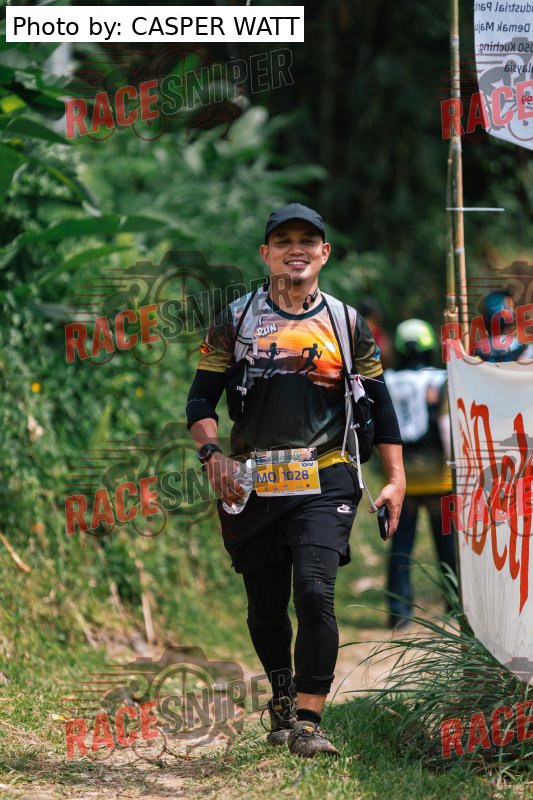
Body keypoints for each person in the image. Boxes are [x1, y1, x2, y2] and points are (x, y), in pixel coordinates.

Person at [186, 203, 405, 757]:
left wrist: (395, 479)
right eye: (283, 241)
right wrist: (212, 456)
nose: (296, 249)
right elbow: (200, 400)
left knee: (313, 592)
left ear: (324, 253)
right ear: (266, 254)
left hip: (327, 474)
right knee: (266, 607)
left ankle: (309, 722)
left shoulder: (346, 323)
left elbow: (379, 403)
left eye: (308, 240)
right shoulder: (234, 320)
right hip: (253, 480)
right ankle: (282, 696)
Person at [383, 319, 455, 629]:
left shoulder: (387, 380)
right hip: (440, 478)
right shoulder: (441, 379)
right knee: (448, 546)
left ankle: (398, 613)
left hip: (401, 479)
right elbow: (447, 427)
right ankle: (456, 607)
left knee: (401, 545)